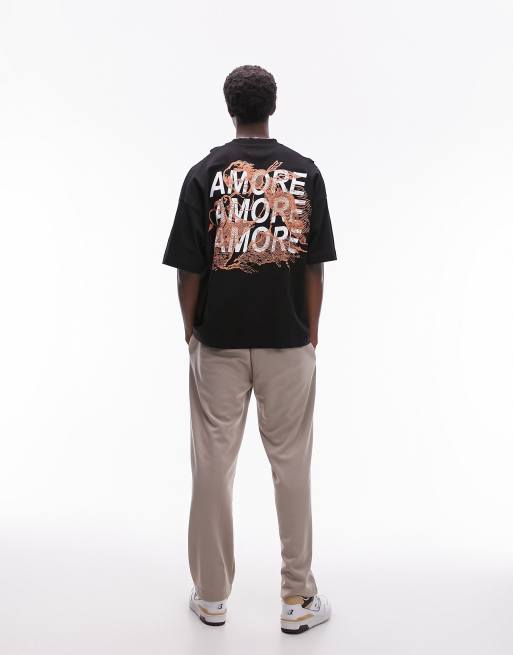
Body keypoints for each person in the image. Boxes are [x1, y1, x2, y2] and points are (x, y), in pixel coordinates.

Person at [163, 64, 337, 634]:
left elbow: (188, 271)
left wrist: (191, 330)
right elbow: (314, 268)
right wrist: (311, 332)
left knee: (212, 464)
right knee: (292, 466)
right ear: (273, 106)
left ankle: (212, 597)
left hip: (219, 343)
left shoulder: (204, 174)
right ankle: (298, 598)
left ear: (229, 108)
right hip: (288, 340)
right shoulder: (304, 173)